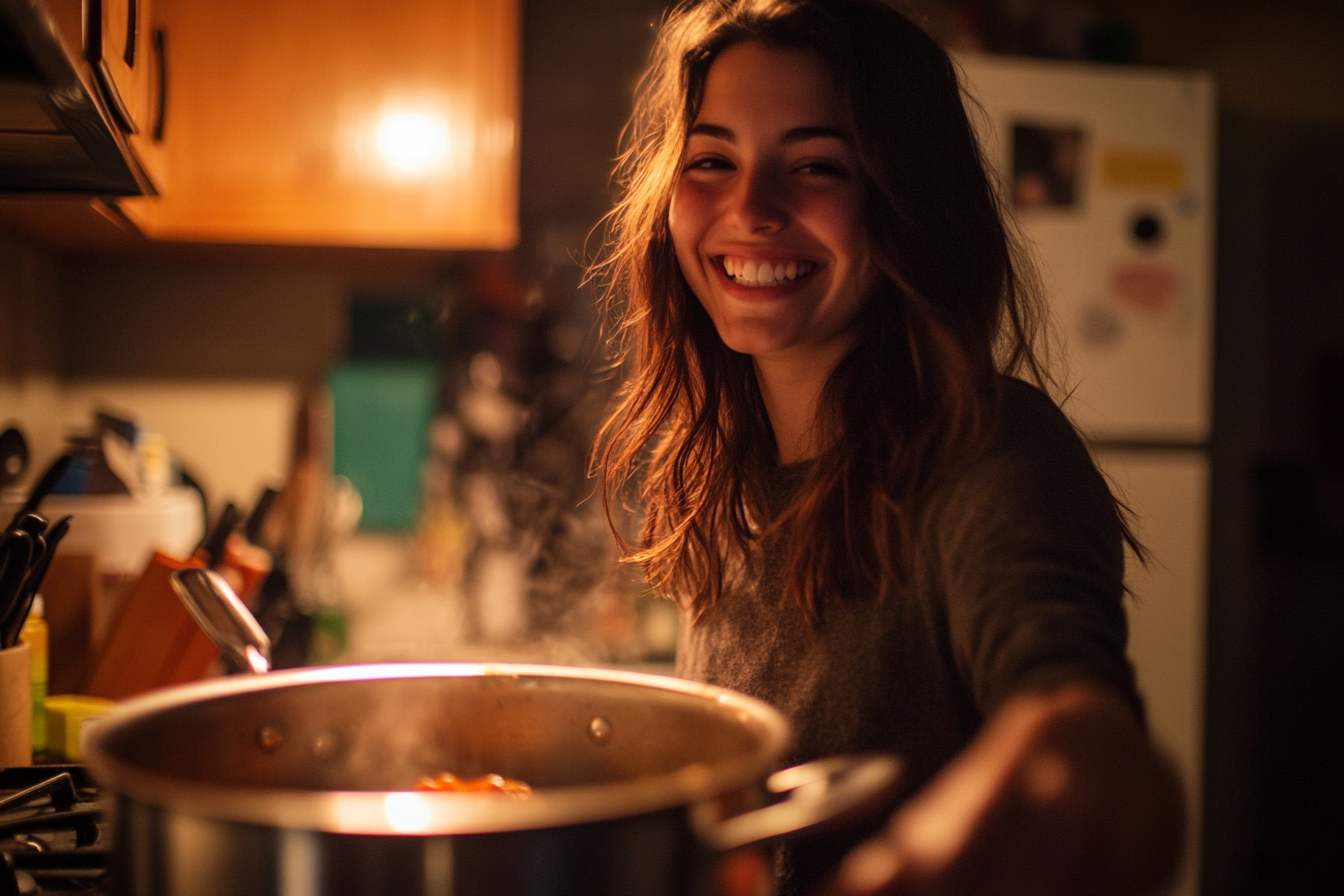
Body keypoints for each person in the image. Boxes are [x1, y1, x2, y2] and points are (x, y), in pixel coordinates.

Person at [588, 1, 1185, 893]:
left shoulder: (987, 451)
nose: (751, 208)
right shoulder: (730, 471)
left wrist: (933, 851)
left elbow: (1082, 733)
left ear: (904, 201)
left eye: (817, 166)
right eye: (712, 161)